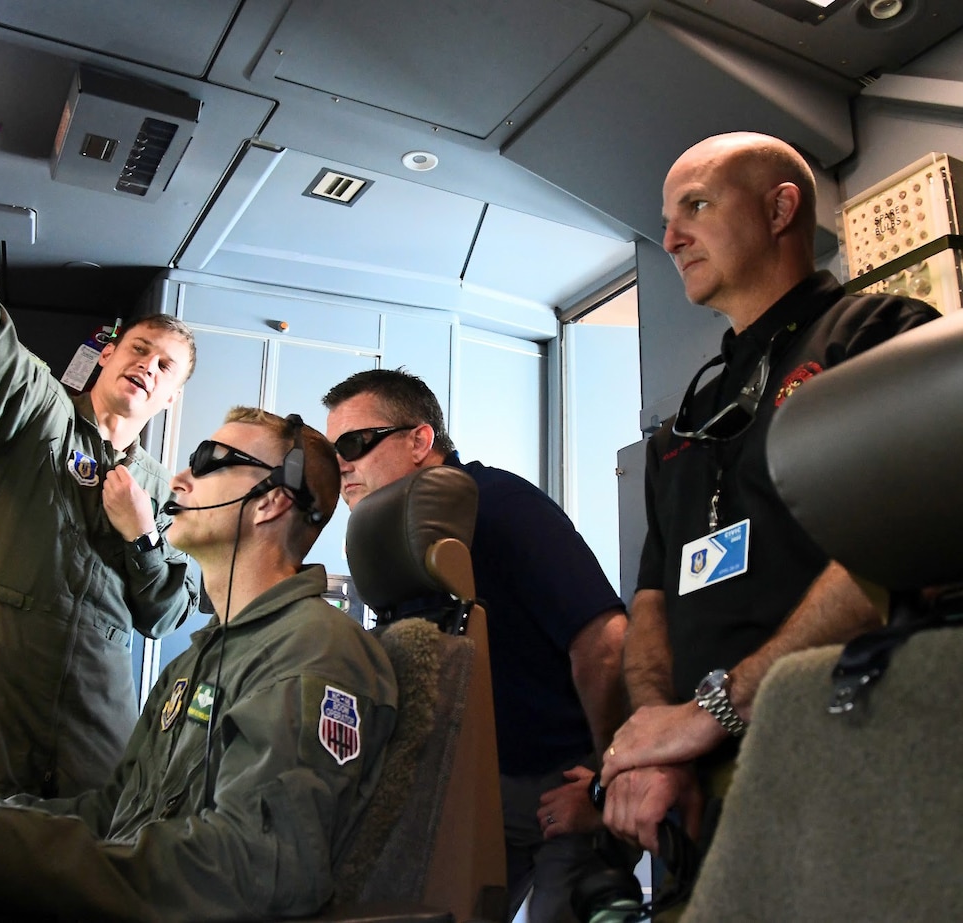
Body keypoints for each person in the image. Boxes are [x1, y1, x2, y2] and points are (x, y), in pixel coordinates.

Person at [0, 408, 398, 921]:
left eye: (210, 462)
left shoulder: (313, 654)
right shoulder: (197, 661)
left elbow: (254, 866)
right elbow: (112, 814)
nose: (178, 478)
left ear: (270, 501)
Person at [598, 132, 941, 866]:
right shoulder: (685, 424)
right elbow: (652, 598)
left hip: (844, 742)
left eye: (696, 206)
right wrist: (658, 736)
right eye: (666, 220)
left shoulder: (879, 337)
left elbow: (902, 545)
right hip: (692, 787)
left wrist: (713, 711)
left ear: (780, 209)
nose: (671, 239)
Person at [0, 168, 200, 800]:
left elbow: (167, 615)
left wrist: (143, 535)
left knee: (84, 845)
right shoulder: (41, 414)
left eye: (165, 366)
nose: (148, 365)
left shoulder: (163, 494)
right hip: (1, 688)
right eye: (139, 349)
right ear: (108, 355)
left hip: (96, 709)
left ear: (171, 397)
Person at [323, 369, 627, 923]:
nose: (341, 464)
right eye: (331, 452)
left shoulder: (499, 505)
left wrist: (610, 781)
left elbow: (605, 641)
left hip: (564, 778)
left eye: (355, 443)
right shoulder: (399, 537)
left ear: (420, 440)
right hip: (476, 782)